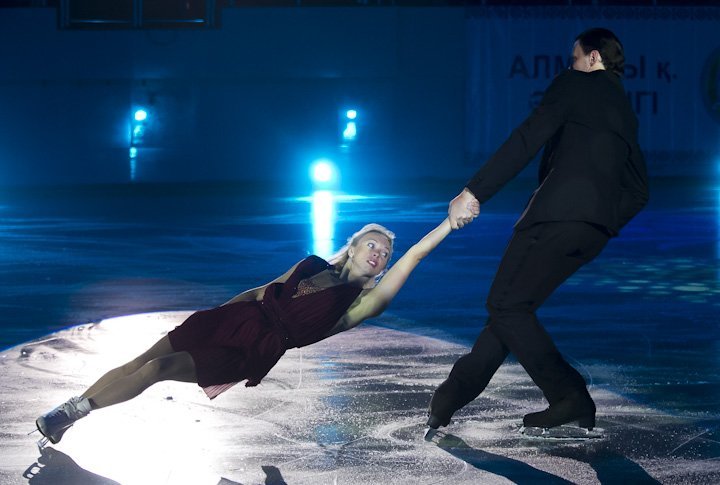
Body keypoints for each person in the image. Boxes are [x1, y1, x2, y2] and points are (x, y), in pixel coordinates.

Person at [35, 214, 477, 445]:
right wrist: (218, 313)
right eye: (373, 244)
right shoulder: (313, 264)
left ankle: (71, 412)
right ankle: (69, 412)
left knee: (158, 370)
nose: (380, 254)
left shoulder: (363, 303)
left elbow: (414, 255)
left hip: (255, 347)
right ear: (355, 244)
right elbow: (264, 289)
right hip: (231, 317)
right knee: (140, 361)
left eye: (385, 252)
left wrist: (447, 224)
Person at [427, 28, 649, 433]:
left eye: (574, 57)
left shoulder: (574, 84)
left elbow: (527, 137)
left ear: (594, 57)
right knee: (514, 309)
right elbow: (638, 190)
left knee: (507, 306)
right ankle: (450, 397)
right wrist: (598, 220)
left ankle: (569, 396)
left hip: (554, 220)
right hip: (592, 232)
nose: (570, 65)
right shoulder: (624, 109)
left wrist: (473, 191)